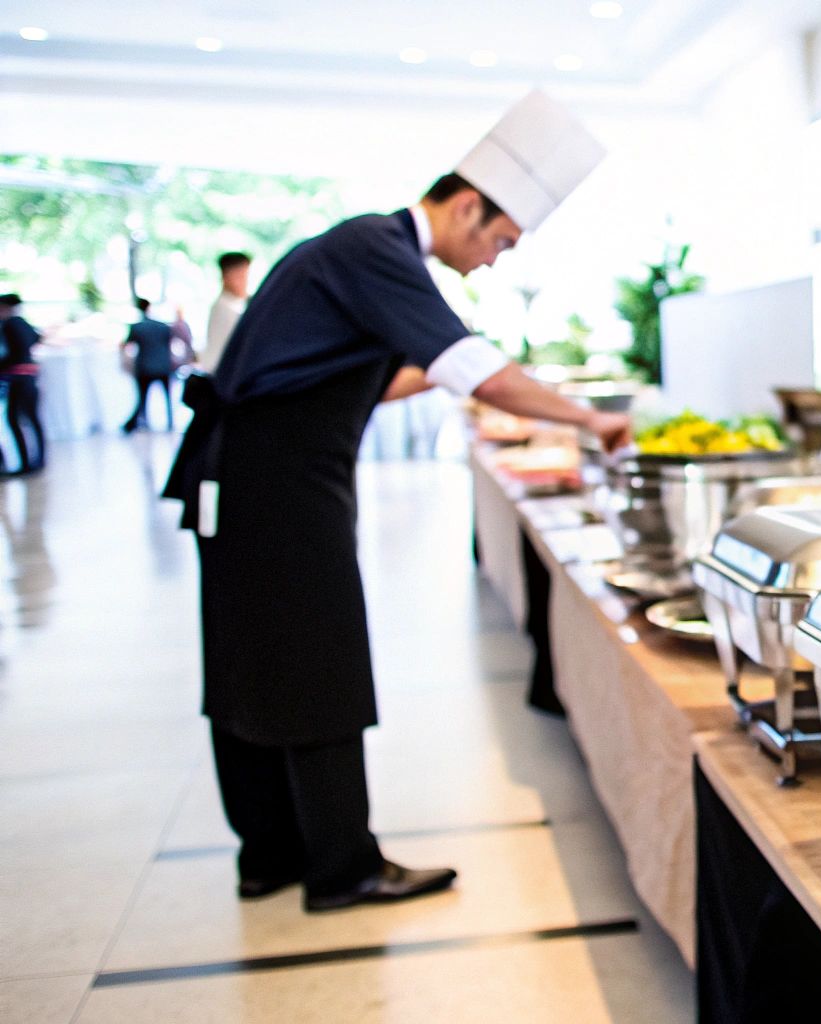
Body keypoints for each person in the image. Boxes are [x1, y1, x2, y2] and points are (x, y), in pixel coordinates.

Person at [163, 90, 623, 913]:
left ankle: (269, 854)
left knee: (251, 660)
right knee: (317, 662)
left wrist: (495, 382)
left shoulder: (360, 252)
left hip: (249, 478)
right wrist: (588, 418)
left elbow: (385, 379)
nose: (495, 260)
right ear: (468, 206)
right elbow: (467, 368)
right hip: (278, 485)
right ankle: (343, 867)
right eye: (502, 241)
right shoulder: (378, 249)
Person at [1, 293, 46, 475]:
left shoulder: (11, 324)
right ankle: (36, 460)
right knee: (31, 418)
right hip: (28, 376)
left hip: (17, 377)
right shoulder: (23, 323)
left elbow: (10, 354)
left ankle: (25, 463)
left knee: (15, 419)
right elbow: (36, 339)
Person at [122, 298, 178, 432]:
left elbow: (126, 345)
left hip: (145, 367)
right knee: (167, 397)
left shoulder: (137, 327)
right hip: (163, 366)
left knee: (143, 397)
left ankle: (145, 421)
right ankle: (170, 422)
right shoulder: (163, 326)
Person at [202, 252, 250, 374]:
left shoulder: (234, 305)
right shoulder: (225, 308)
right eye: (240, 277)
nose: (245, 283)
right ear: (226, 277)